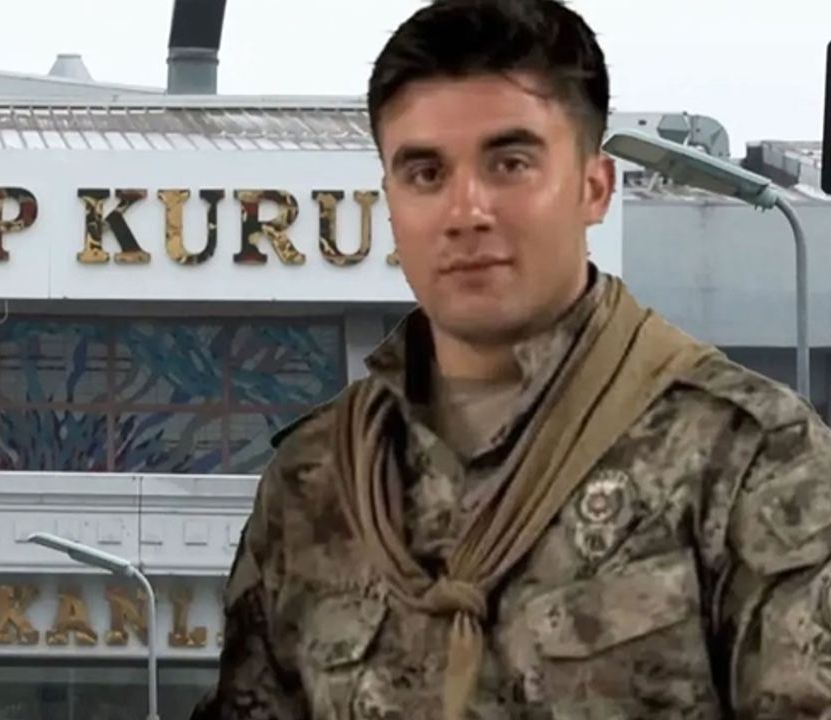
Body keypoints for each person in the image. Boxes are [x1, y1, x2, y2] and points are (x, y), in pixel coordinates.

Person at [190, 0, 831, 718]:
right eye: (425, 173)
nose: (467, 211)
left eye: (510, 164)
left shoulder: (747, 456)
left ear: (595, 188)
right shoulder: (318, 481)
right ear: (391, 203)